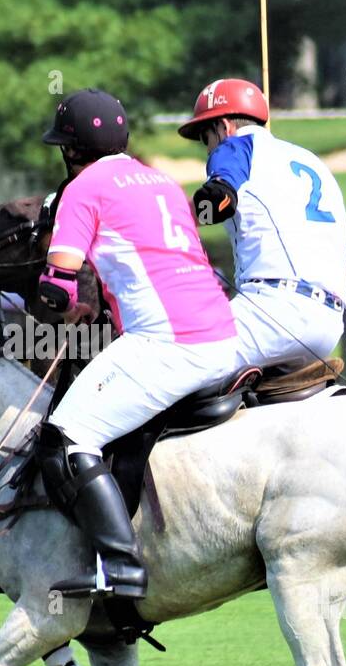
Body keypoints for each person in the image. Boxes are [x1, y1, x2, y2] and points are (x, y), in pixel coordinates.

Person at [35, 89, 239, 601]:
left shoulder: (81, 190)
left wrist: (58, 307)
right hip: (223, 333)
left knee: (66, 436)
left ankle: (119, 565)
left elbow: (56, 283)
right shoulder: (163, 182)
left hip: (168, 343)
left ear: (71, 149)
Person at [179, 78, 346, 375]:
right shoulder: (311, 161)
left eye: (205, 138)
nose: (207, 149)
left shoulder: (235, 146)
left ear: (223, 126)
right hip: (330, 323)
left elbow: (220, 196)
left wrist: (182, 218)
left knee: (168, 356)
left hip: (275, 314)